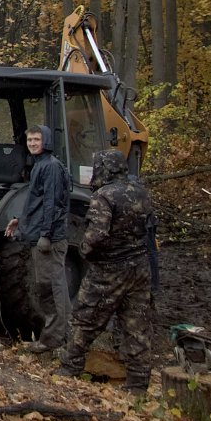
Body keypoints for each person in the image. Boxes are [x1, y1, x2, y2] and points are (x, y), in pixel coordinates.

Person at [55, 149, 157, 396]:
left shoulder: (104, 196)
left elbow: (96, 235)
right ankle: (137, 384)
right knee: (137, 326)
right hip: (140, 268)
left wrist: (85, 251)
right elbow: (150, 227)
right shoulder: (141, 193)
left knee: (85, 318)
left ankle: (69, 369)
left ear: (104, 169)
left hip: (109, 269)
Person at [4, 125, 71, 353]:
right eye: (30, 139)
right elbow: (36, 202)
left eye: (37, 139)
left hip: (49, 239)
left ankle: (54, 340)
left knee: (52, 287)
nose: (32, 143)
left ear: (47, 141)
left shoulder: (51, 167)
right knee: (46, 288)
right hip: (38, 234)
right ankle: (57, 337)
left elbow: (52, 203)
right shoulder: (39, 166)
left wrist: (45, 235)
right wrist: (19, 221)